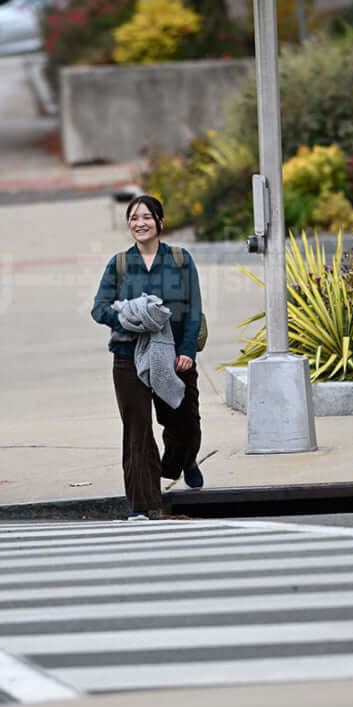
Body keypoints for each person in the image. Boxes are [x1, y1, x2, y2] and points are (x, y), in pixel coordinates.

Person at [92, 195, 204, 521]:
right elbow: (99, 308)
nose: (140, 223)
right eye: (133, 218)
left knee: (184, 423)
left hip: (174, 355)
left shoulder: (181, 261)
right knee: (137, 431)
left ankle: (183, 461)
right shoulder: (119, 264)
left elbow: (193, 310)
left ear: (160, 222)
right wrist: (128, 317)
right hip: (128, 356)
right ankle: (143, 505)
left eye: (146, 217)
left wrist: (186, 351)